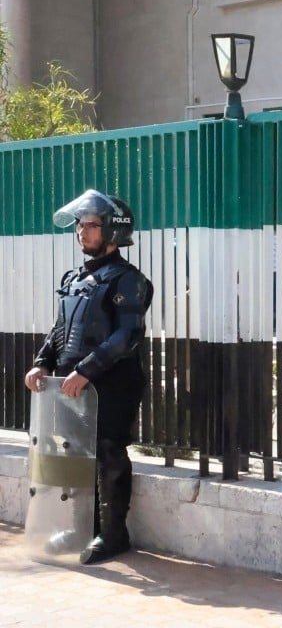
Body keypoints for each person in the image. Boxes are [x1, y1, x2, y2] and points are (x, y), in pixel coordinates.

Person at [25, 190, 154, 565]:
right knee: (77, 454)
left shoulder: (128, 280)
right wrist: (43, 362)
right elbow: (60, 329)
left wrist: (86, 370)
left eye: (91, 225)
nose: (82, 231)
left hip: (112, 383)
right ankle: (81, 527)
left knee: (109, 453)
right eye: (80, 225)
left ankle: (112, 535)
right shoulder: (74, 278)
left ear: (113, 230)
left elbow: (128, 334)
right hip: (72, 384)